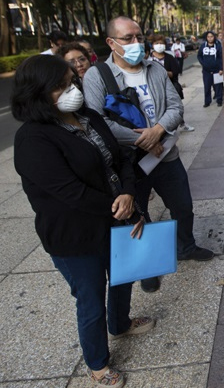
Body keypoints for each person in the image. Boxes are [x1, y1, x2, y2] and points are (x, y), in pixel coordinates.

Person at [12, 55, 153, 388]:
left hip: (114, 218)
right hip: (74, 235)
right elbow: (69, 192)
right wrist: (118, 205)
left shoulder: (87, 116)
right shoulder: (33, 139)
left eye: (71, 81)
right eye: (60, 86)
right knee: (90, 297)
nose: (71, 89)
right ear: (37, 93)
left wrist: (129, 193)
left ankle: (120, 323)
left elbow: (121, 159)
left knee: (123, 277)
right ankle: (97, 363)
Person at [82, 16, 214, 294]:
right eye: (128, 38)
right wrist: (143, 140)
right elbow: (97, 121)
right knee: (138, 216)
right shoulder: (98, 75)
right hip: (129, 163)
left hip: (165, 154)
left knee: (183, 206)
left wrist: (158, 131)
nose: (136, 43)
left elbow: (176, 107)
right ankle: (148, 266)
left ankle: (185, 246)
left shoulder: (154, 68)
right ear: (111, 43)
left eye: (139, 37)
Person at [148, 34, 194, 131]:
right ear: (152, 44)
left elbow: (175, 71)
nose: (159, 45)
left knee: (175, 107)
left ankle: (182, 124)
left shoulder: (169, 57)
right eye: (157, 43)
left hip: (170, 86)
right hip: (154, 88)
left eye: (161, 43)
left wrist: (164, 73)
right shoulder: (148, 59)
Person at [196, 30, 224, 107]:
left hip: (217, 70)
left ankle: (219, 100)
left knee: (218, 86)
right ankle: (207, 102)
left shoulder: (218, 46)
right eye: (208, 37)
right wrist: (203, 63)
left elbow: (221, 58)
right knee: (207, 87)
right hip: (206, 71)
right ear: (206, 37)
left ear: (214, 37)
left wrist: (221, 69)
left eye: (211, 36)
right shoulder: (203, 46)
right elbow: (199, 56)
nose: (210, 38)